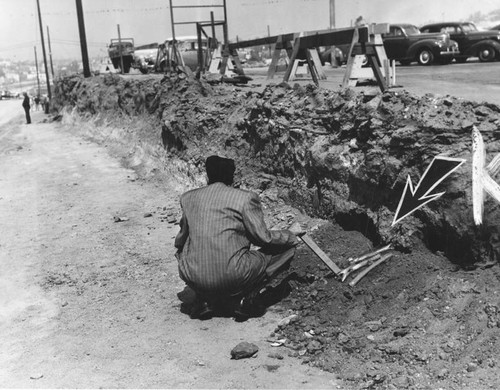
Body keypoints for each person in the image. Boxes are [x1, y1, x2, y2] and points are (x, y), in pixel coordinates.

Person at [175, 155, 304, 320]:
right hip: (234, 275)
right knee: (285, 250)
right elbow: (263, 239)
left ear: (208, 175)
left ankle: (204, 299)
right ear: (232, 176)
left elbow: (181, 238)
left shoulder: (188, 198)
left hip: (193, 274)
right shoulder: (245, 198)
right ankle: (245, 298)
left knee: (183, 252)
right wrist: (290, 235)